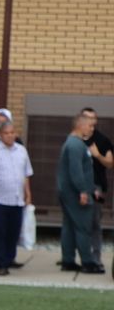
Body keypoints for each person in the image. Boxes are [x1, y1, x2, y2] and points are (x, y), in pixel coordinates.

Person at [0, 121, 32, 276]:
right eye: (6, 133)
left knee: (13, 232)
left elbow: (26, 174)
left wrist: (28, 193)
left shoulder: (21, 151)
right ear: (0, 134)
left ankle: (9, 258)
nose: (10, 136)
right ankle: (0, 264)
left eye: (12, 133)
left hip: (17, 199)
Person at [57, 113, 102, 274]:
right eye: (90, 126)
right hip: (75, 193)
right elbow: (76, 171)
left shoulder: (73, 143)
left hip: (68, 192)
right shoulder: (76, 145)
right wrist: (83, 191)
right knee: (83, 227)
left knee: (69, 226)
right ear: (80, 125)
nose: (91, 129)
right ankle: (88, 262)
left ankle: (68, 260)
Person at [80, 108, 112, 271]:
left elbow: (110, 163)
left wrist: (97, 155)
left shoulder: (101, 140)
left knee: (94, 223)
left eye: (93, 118)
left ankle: (95, 258)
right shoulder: (75, 139)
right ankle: (72, 258)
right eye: (86, 118)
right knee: (78, 223)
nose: (90, 122)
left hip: (97, 187)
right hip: (79, 187)